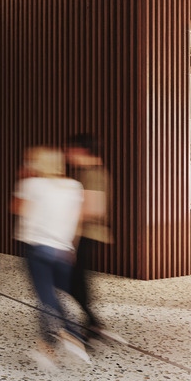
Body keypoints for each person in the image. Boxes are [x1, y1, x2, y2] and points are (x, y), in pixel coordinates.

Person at [14, 146, 89, 368]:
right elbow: (79, 220)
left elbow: (18, 209)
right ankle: (46, 348)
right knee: (53, 298)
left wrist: (23, 180)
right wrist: (71, 248)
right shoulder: (74, 186)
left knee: (46, 298)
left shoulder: (32, 184)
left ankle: (72, 333)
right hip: (64, 250)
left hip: (38, 248)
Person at [65, 133, 122, 345]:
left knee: (74, 281)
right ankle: (92, 324)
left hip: (87, 235)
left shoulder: (94, 173)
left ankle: (92, 323)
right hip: (84, 235)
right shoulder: (87, 172)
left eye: (71, 150)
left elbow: (92, 209)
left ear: (83, 151)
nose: (68, 154)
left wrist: (71, 239)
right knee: (77, 281)